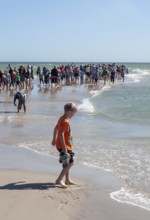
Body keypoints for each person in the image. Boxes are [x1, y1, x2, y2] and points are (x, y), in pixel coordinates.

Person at [51, 102, 78, 188]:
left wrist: (54, 139)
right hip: (64, 146)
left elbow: (55, 128)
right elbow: (61, 134)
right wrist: (64, 147)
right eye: (73, 113)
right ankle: (59, 180)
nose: (73, 115)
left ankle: (67, 179)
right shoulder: (65, 121)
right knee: (71, 163)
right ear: (69, 111)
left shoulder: (61, 118)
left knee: (67, 163)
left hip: (63, 145)